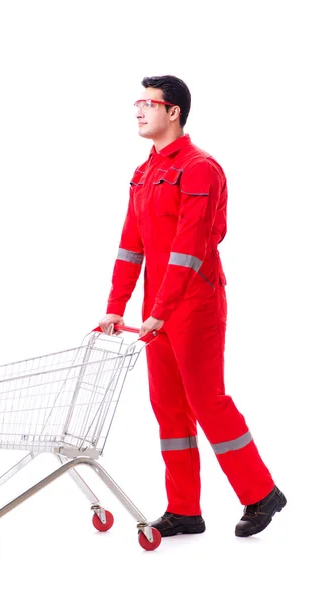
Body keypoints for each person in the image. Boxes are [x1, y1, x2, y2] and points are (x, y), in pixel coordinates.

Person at [99, 75, 286, 538]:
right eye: (137, 103)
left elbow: (192, 246)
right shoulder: (144, 172)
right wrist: (115, 306)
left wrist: (161, 309)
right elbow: (130, 246)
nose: (139, 110)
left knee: (207, 400)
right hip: (156, 309)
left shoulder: (200, 168)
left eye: (149, 103)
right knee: (168, 406)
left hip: (195, 304)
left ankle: (261, 493)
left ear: (174, 112)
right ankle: (184, 509)